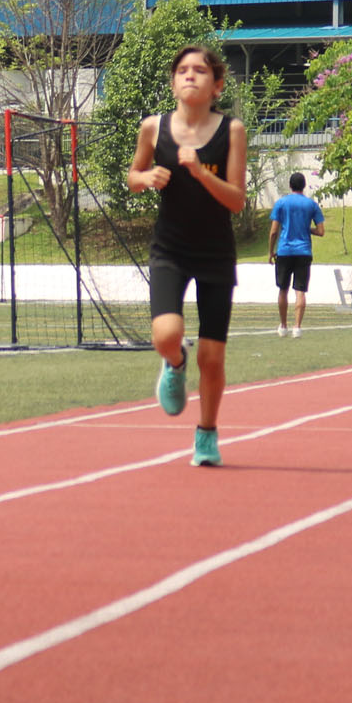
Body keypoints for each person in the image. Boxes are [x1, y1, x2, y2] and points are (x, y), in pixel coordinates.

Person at [127, 46, 247, 467]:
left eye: (200, 70)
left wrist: (198, 171)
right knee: (166, 334)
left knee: (212, 357)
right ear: (173, 82)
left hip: (216, 253)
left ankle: (207, 434)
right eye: (182, 70)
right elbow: (132, 176)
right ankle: (174, 365)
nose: (190, 76)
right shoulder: (152, 128)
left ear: (216, 86)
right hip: (171, 250)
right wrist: (145, 177)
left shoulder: (231, 131)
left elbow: (236, 201)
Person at [268, 171, 325, 338]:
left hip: (284, 251)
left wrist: (271, 252)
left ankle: (283, 325)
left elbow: (273, 231)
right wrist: (307, 229)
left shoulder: (281, 203)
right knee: (300, 291)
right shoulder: (311, 205)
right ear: (304, 186)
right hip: (304, 251)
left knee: (283, 289)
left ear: (290, 185)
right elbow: (321, 231)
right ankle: (297, 327)